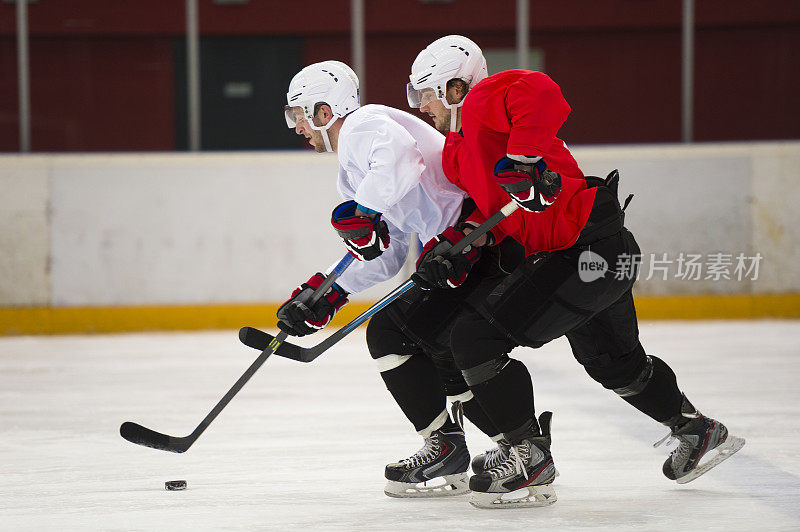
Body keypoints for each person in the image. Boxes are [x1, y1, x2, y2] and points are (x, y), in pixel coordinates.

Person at [405, 35, 745, 509]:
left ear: (457, 87)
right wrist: (458, 245)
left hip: (584, 247)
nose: (422, 106)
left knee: (474, 337)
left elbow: (541, 92)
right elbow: (496, 215)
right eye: (415, 95)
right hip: (590, 253)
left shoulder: (485, 99)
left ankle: (529, 455)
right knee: (615, 363)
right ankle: (700, 432)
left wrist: (523, 159)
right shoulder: (459, 152)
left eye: (427, 93)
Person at [276, 60, 525, 498]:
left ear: (324, 111)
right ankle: (505, 447)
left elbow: (402, 161)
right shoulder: (353, 169)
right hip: (455, 253)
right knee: (431, 342)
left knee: (395, 333)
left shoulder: (364, 125)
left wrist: (365, 213)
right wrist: (330, 294)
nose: (297, 127)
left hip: (477, 239)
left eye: (300, 114)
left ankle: (499, 447)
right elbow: (386, 250)